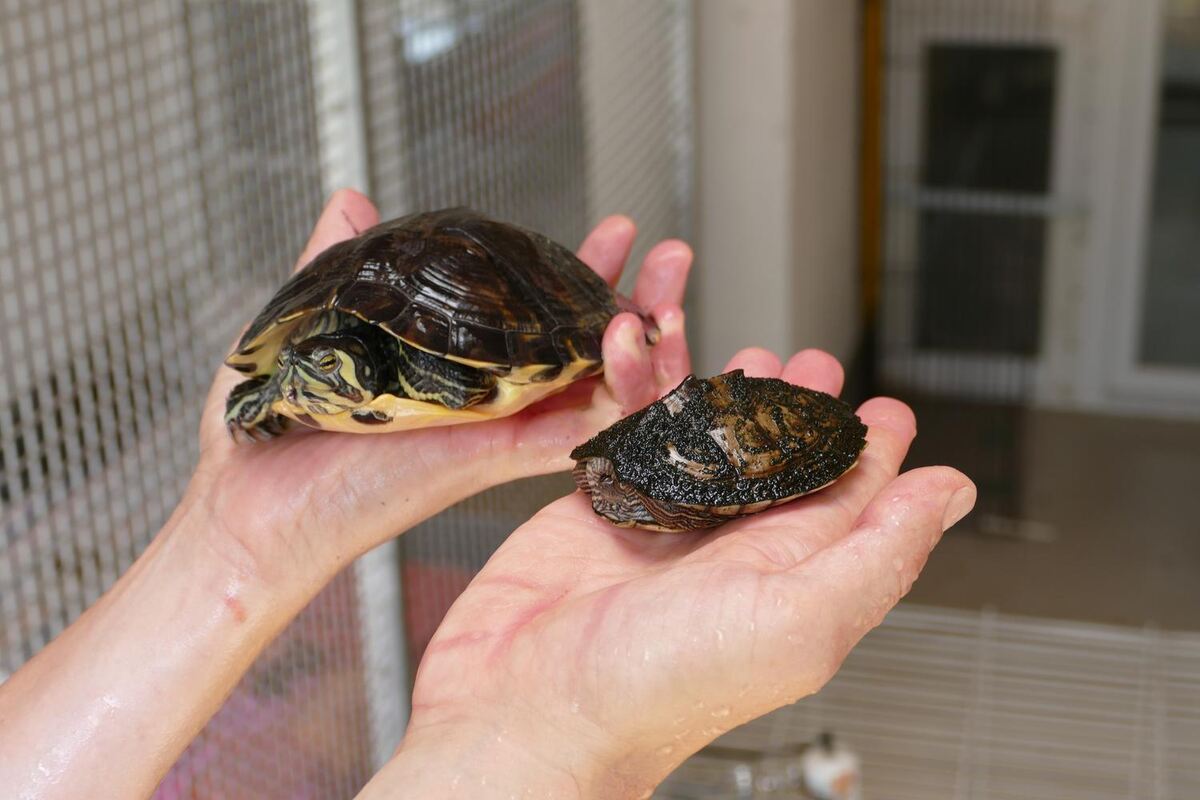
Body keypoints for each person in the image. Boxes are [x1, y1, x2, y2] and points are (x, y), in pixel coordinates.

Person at [0, 190, 975, 799]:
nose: (316, 378)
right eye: (314, 370)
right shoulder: (308, 378)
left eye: (333, 369)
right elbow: (288, 378)